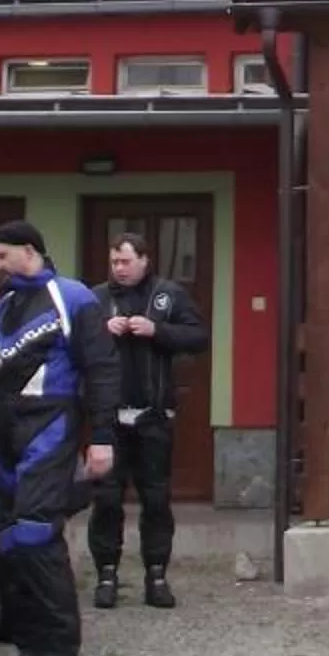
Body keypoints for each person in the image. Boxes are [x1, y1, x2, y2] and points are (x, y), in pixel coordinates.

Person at [0, 221, 116, 656]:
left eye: (2, 256)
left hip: (49, 425)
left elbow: (102, 370)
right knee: (10, 540)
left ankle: (59, 650)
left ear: (29, 251)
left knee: (37, 532)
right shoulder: (0, 308)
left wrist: (103, 438)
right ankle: (29, 647)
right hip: (3, 433)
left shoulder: (73, 298)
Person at [88, 231, 208, 612]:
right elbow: (72, 343)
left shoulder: (167, 294)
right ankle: (106, 576)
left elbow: (199, 336)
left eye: (125, 261)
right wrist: (101, 331)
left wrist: (158, 331)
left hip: (154, 416)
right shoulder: (96, 299)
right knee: (106, 500)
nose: (119, 269)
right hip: (108, 418)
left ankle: (156, 576)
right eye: (114, 262)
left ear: (144, 260)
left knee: (156, 500)